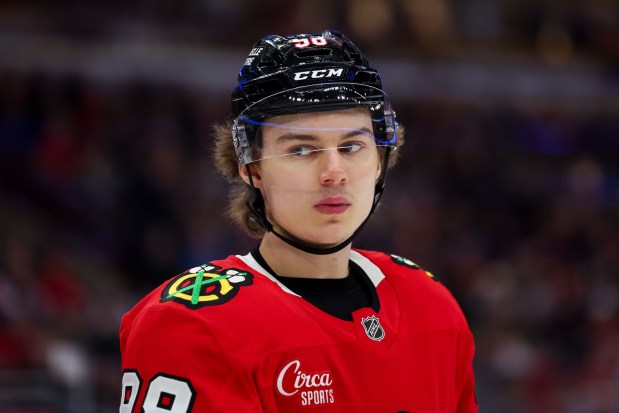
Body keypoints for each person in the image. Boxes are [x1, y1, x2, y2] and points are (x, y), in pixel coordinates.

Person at [119, 29, 478, 412]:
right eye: (301, 149)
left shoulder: (432, 306)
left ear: (380, 160)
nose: (333, 173)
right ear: (250, 168)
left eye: (352, 146)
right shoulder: (190, 324)